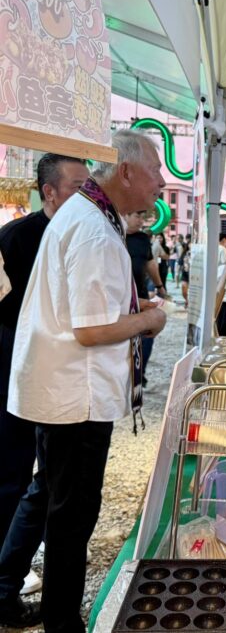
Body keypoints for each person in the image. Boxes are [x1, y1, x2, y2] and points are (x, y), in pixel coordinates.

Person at [1, 130, 167, 632]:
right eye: (156, 171)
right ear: (127, 172)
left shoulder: (91, 215)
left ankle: (48, 611)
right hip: (75, 399)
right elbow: (91, 330)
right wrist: (148, 319)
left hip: (66, 394)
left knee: (57, 506)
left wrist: (131, 307)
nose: (161, 183)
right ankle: (62, 624)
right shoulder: (93, 226)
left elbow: (88, 307)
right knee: (72, 519)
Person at [0, 154, 89, 625]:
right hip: (16, 373)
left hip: (63, 382)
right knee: (14, 480)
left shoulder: (84, 233)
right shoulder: (16, 237)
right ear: (48, 191)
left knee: (47, 483)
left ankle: (9, 583)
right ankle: (3, 591)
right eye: (77, 185)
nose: (87, 193)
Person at [125, 211, 166, 385]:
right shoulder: (114, 234)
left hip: (141, 297)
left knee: (147, 337)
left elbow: (150, 263)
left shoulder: (143, 239)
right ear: (125, 215)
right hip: (121, 301)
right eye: (138, 216)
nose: (141, 221)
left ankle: (139, 372)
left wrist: (159, 286)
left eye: (143, 217)